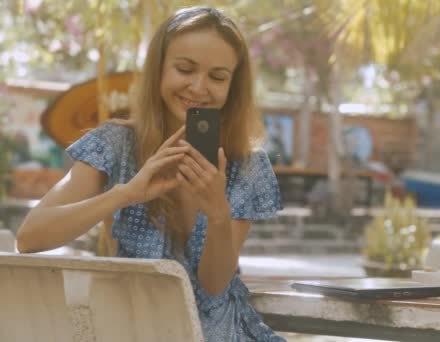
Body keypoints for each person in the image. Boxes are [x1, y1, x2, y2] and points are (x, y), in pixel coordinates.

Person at [16, 6, 285, 342]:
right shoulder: (115, 146)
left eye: (217, 77)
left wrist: (218, 213)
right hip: (135, 331)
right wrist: (127, 193)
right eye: (185, 69)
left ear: (233, 86)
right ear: (159, 70)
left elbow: (214, 285)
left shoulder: (247, 165)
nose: (199, 87)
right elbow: (29, 238)